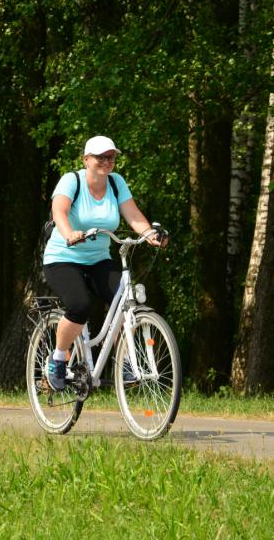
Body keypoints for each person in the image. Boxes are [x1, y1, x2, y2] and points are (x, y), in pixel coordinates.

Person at [42, 135, 165, 391]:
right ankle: (59, 358)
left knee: (125, 298)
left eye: (111, 157)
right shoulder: (72, 180)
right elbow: (59, 211)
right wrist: (69, 234)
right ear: (86, 160)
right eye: (100, 157)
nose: (107, 162)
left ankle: (128, 362)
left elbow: (133, 214)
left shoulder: (116, 183)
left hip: (98, 259)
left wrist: (150, 235)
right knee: (80, 305)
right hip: (63, 258)